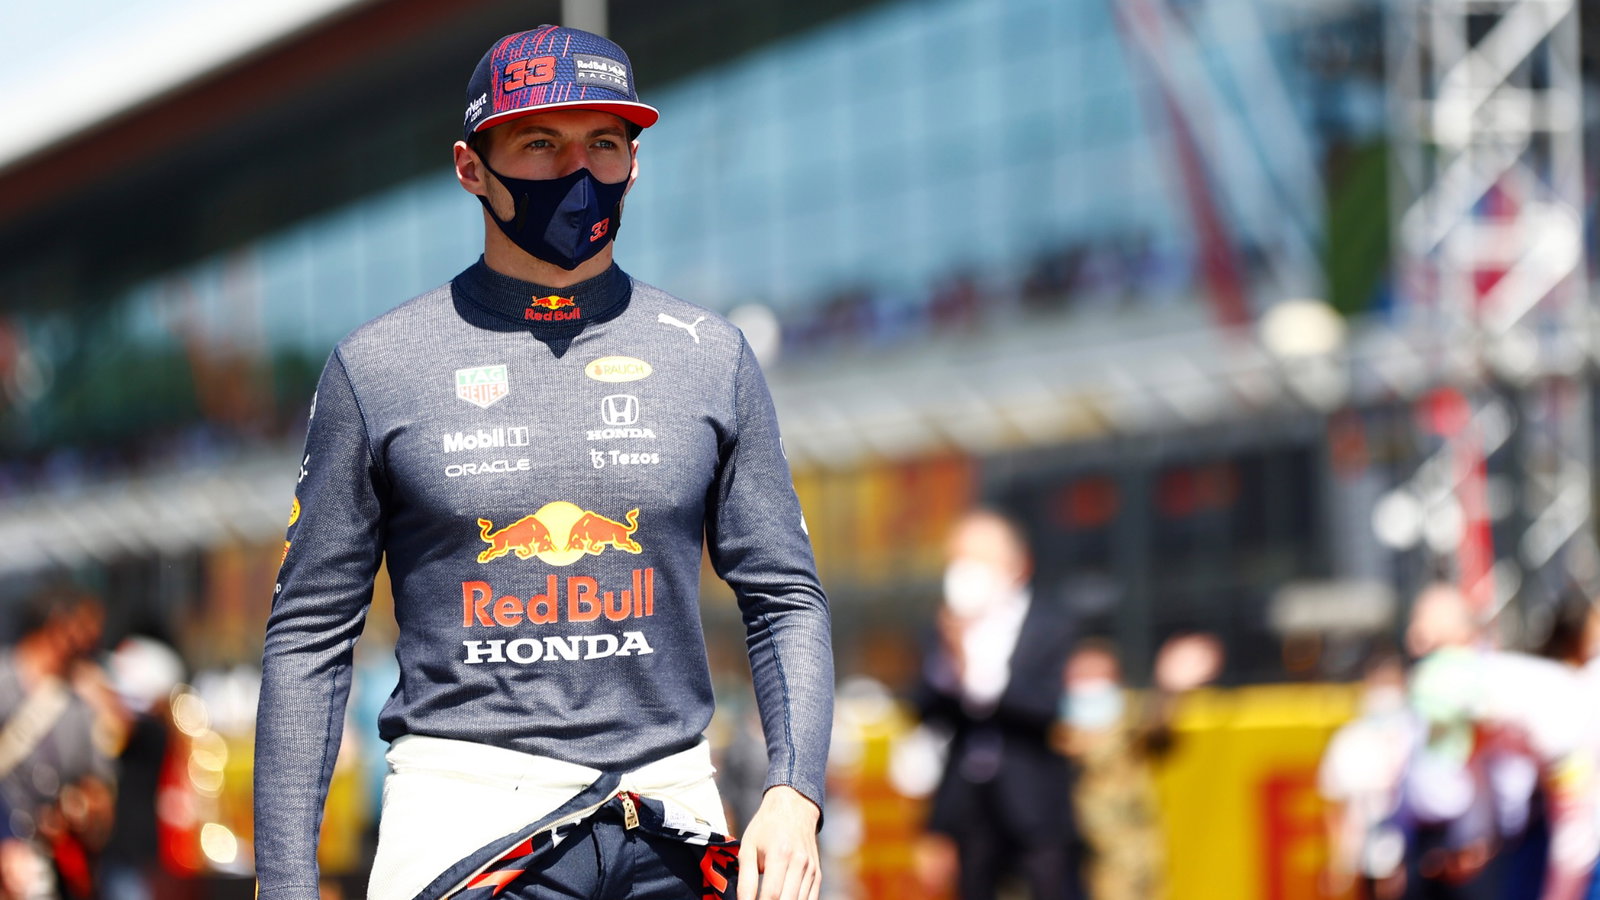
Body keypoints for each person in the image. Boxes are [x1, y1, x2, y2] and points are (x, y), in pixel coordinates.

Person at [253, 25, 834, 900]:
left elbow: (787, 595)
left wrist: (794, 794)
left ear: (635, 162)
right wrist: (286, 881)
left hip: (671, 821)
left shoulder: (710, 355)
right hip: (467, 835)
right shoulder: (376, 367)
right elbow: (307, 636)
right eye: (540, 142)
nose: (577, 171)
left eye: (604, 142)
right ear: (470, 166)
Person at [913, 509, 1082, 900]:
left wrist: (975, 672)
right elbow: (926, 710)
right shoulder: (942, 629)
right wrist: (950, 665)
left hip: (1035, 804)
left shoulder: (1050, 624)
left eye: (977, 560)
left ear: (1016, 565)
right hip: (970, 807)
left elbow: (1046, 708)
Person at [1055, 632, 1221, 900]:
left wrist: (1169, 689)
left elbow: (1155, 727)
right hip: (1073, 858)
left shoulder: (1129, 719)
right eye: (1082, 677)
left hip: (1131, 860)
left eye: (1099, 677)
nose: (1090, 687)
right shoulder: (1051, 730)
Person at [0, 584, 115, 900]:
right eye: (85, 626)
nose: (93, 637)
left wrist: (78, 810)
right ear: (57, 624)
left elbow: (100, 793)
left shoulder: (83, 703)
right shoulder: (5, 680)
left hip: (49, 866)